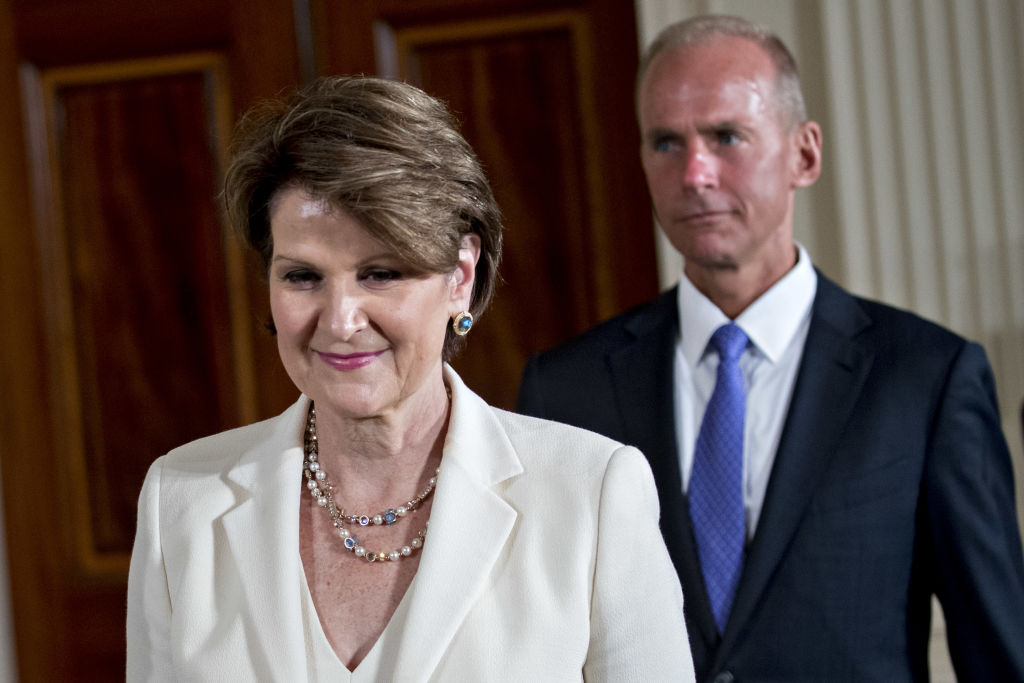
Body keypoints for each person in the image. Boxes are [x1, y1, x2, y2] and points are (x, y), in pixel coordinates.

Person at [126, 76, 696, 681]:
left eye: (380, 273)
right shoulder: (181, 501)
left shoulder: (590, 494)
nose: (341, 321)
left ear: (460, 275)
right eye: (302, 277)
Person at [517, 14, 1024, 682]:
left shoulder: (926, 379)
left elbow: (1000, 655)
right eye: (666, 142)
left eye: (726, 136)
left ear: (804, 154)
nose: (695, 172)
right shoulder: (565, 389)